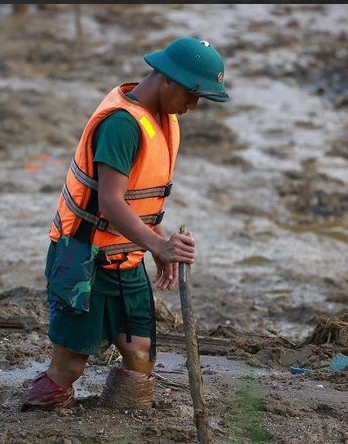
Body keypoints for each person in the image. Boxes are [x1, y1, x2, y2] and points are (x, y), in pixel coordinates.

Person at [22, 37, 229, 411]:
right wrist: (158, 246)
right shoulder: (122, 125)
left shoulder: (165, 121)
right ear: (167, 79)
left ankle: (122, 420)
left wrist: (158, 242)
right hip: (84, 260)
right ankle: (37, 415)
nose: (193, 106)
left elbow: (142, 199)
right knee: (68, 366)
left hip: (127, 260)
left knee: (140, 355)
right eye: (192, 94)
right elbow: (111, 201)